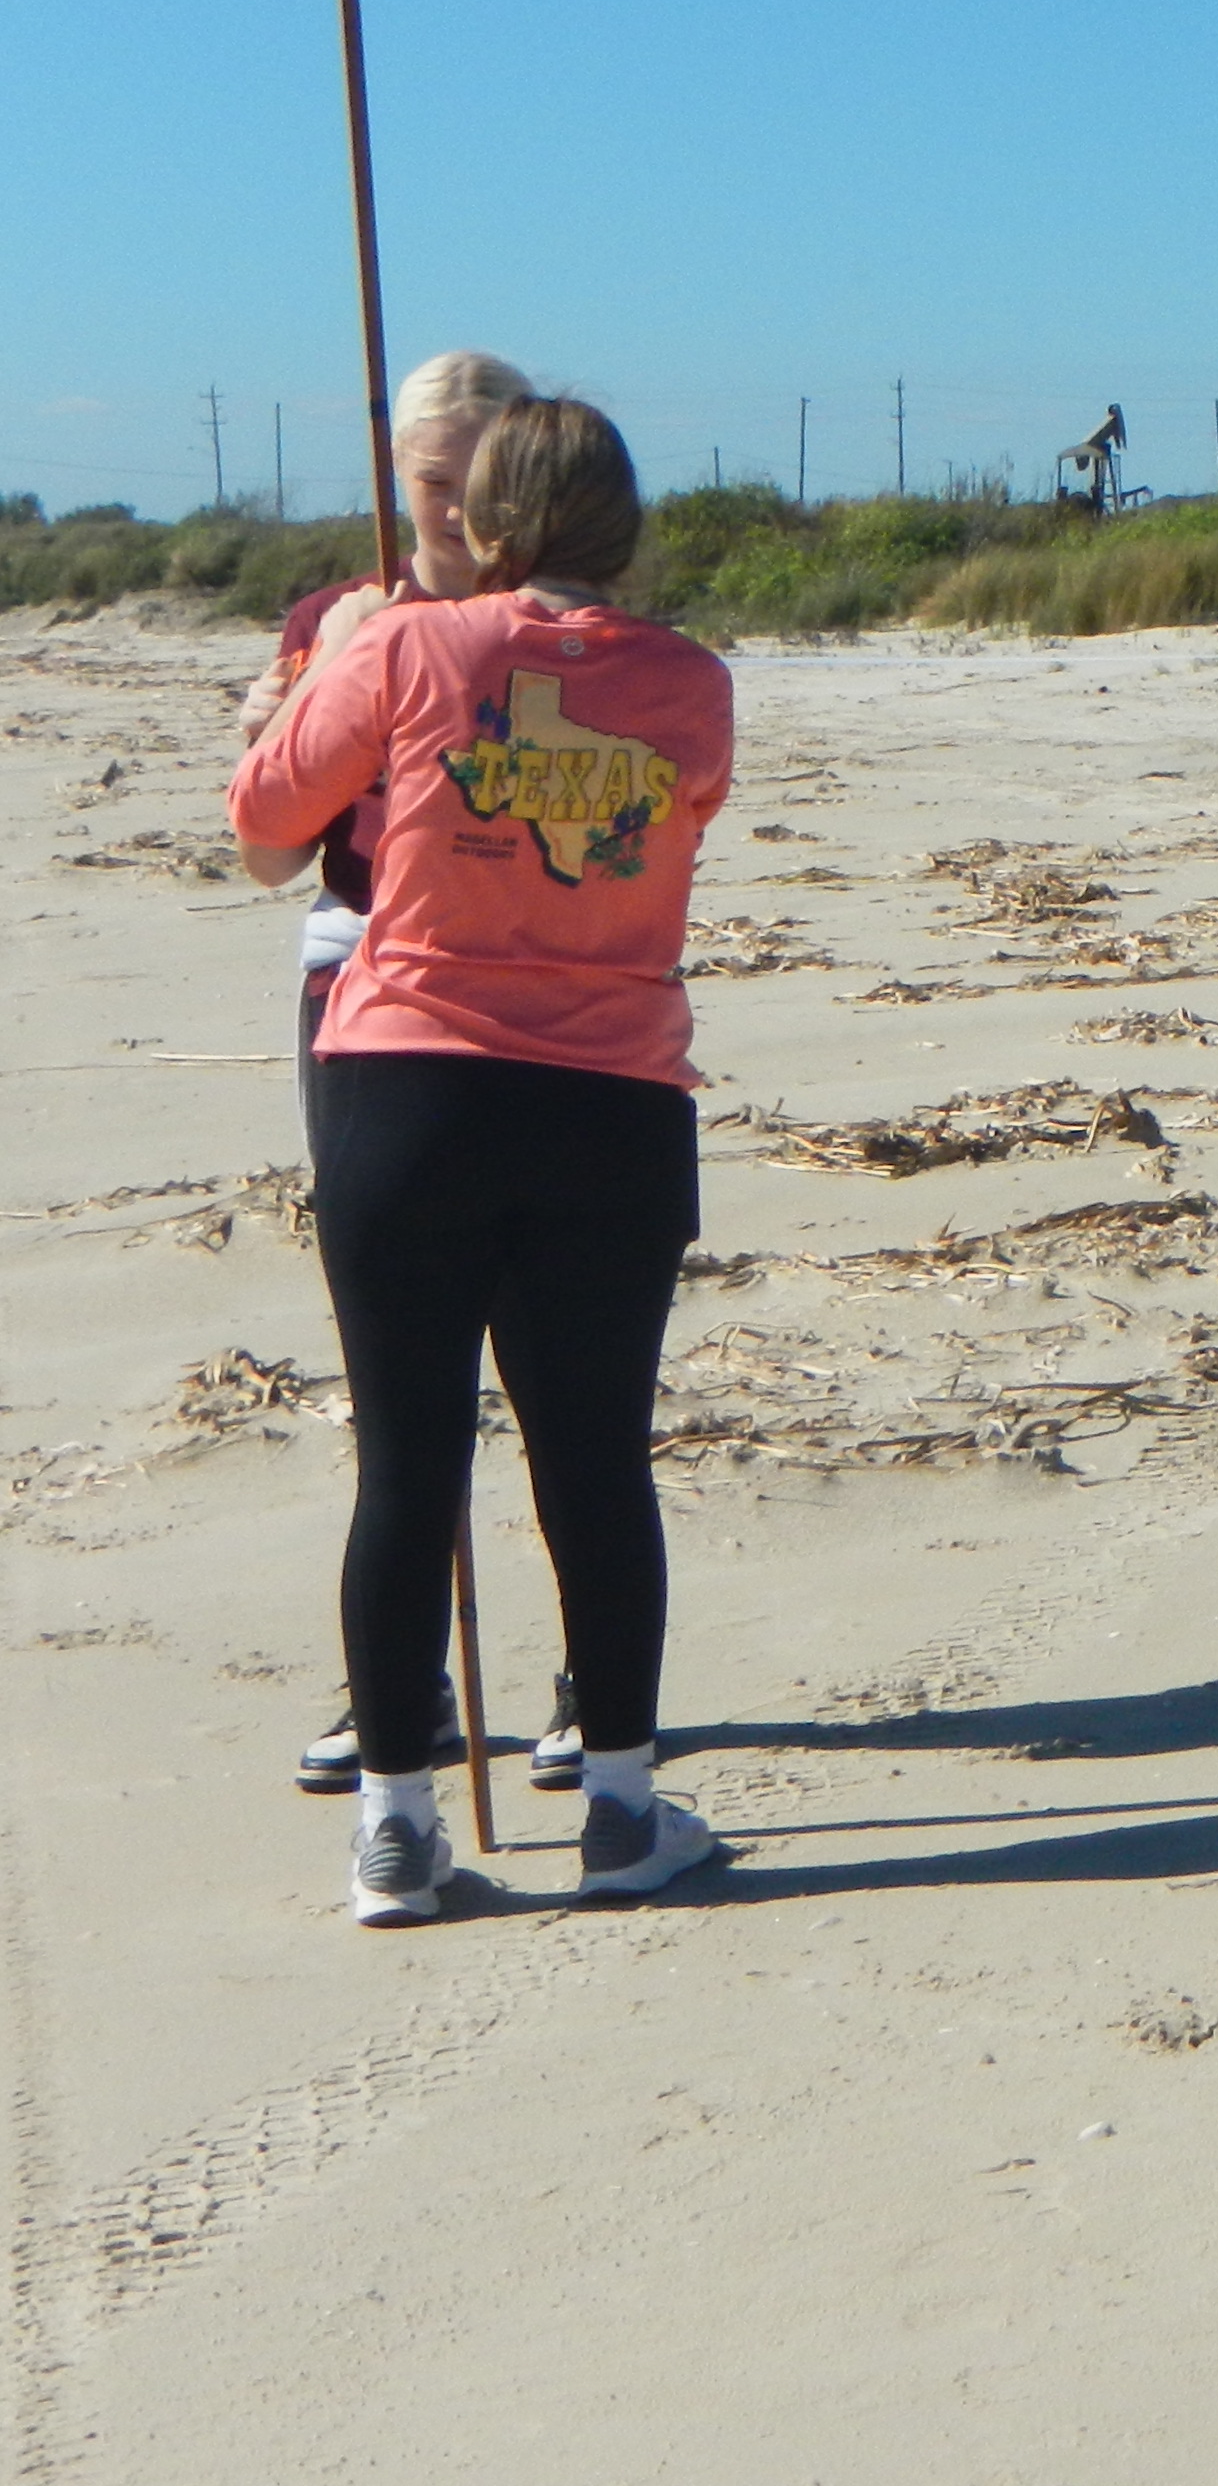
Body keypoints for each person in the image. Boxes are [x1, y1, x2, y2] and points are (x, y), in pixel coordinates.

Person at [231, 395, 736, 1922]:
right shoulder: (695, 686)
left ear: (486, 522)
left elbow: (265, 827)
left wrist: (306, 686)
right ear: (624, 526)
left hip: (410, 1092)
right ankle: (624, 1807)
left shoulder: (402, 648)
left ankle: (395, 1828)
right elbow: (661, 821)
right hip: (609, 1102)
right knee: (594, 1459)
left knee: (409, 1460)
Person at [235, 348, 592, 1802]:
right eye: (419, 481)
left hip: (538, 993)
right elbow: (265, 848)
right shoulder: (340, 617)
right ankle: (407, 1689)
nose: (441, 511)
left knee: (561, 1361)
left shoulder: (572, 627)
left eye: (467, 482)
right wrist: (298, 695)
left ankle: (588, 1679)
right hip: (361, 983)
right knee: (403, 1361)